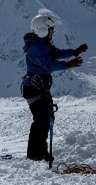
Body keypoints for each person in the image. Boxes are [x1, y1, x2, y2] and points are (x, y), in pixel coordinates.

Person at [22, 9, 86, 164]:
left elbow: (56, 53)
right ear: (43, 30)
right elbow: (48, 65)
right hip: (33, 90)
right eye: (51, 30)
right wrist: (68, 65)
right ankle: (34, 154)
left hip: (41, 88)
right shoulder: (36, 47)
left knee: (46, 118)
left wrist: (74, 52)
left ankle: (40, 151)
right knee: (41, 120)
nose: (53, 33)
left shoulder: (43, 44)